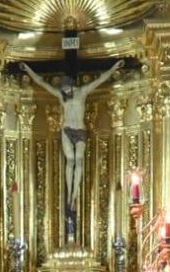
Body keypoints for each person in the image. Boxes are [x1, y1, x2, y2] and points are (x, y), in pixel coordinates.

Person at [20, 60, 124, 241]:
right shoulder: (62, 96)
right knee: (70, 161)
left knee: (80, 161)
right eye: (63, 91)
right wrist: (28, 69)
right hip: (67, 130)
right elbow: (41, 83)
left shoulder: (82, 92)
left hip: (80, 131)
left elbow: (99, 81)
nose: (65, 93)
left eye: (66, 90)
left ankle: (74, 193)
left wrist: (114, 68)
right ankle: (70, 193)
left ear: (71, 87)